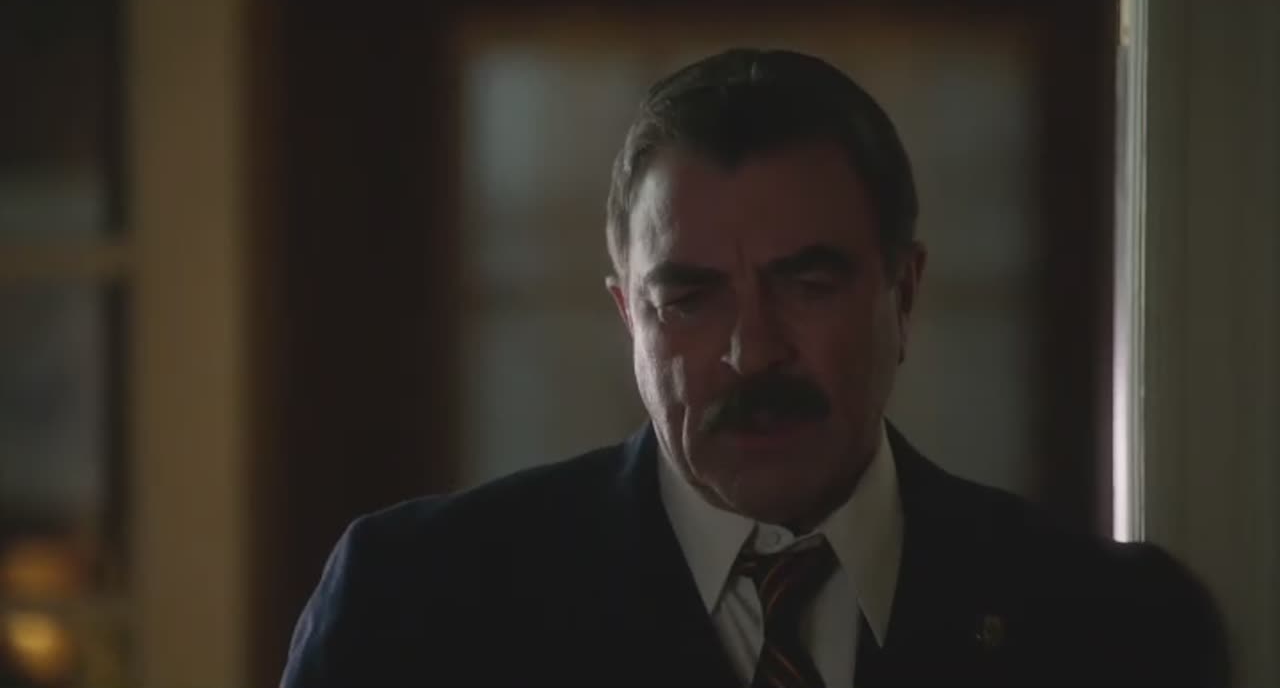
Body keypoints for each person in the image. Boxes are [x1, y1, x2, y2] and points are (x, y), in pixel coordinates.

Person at [280, 48, 1227, 687]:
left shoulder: (1113, 626)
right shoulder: (417, 608)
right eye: (690, 298)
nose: (752, 350)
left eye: (807, 284)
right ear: (629, 316)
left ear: (903, 292)